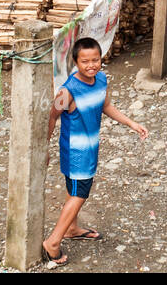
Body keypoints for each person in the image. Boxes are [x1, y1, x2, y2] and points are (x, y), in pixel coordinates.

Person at [43, 38, 148, 266]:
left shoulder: (101, 79)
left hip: (90, 149)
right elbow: (52, 116)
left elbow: (106, 105)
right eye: (85, 61)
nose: (91, 65)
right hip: (75, 153)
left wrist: (132, 124)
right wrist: (44, 149)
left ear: (101, 59)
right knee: (80, 193)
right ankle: (53, 242)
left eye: (95, 60)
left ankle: (71, 229)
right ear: (75, 62)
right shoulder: (67, 90)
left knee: (75, 191)